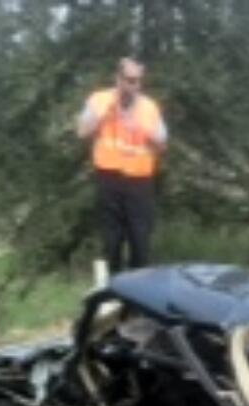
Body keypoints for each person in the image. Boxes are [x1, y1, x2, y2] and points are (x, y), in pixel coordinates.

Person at [77, 58, 168, 274]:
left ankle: (139, 295)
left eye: (137, 81)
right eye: (128, 80)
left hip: (139, 182)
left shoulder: (149, 107)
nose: (133, 86)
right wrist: (103, 115)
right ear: (118, 79)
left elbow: (163, 145)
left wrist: (145, 130)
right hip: (108, 178)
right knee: (111, 240)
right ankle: (113, 294)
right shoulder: (99, 100)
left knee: (140, 240)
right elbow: (82, 132)